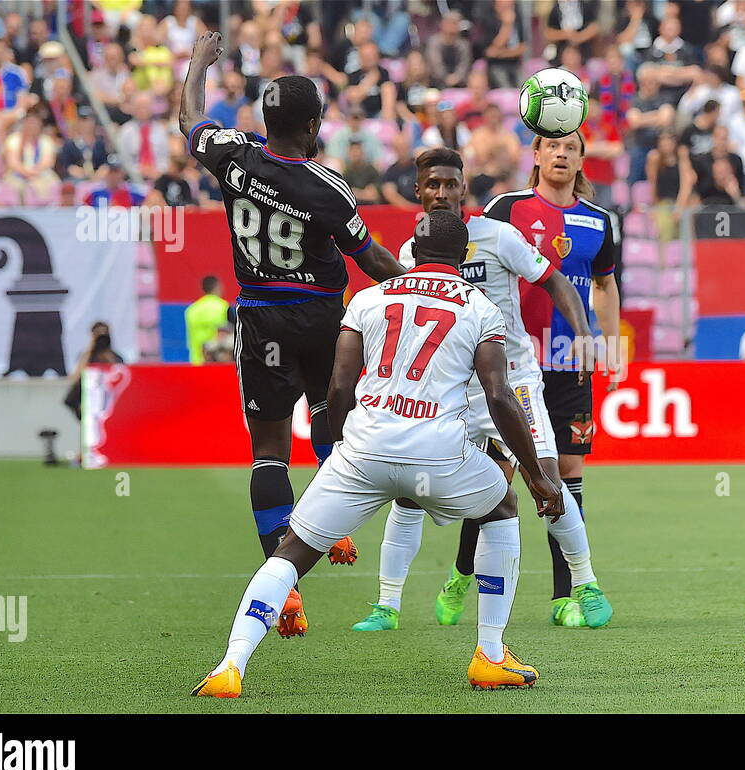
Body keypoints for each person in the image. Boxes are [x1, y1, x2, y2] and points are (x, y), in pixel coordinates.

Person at [192, 210, 565, 697]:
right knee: (502, 505)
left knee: (293, 552)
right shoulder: (480, 308)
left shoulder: (368, 298)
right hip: (439, 456)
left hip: (365, 449)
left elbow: (339, 386)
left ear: (413, 248)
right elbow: (498, 394)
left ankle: (231, 665)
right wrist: (537, 474)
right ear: (465, 254)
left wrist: (345, 449)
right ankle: (490, 655)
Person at [179, 31, 405, 638]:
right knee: (333, 420)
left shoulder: (233, 154)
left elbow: (189, 118)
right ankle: (337, 525)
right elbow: (372, 259)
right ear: (311, 127)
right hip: (321, 318)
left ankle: (284, 592)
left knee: (270, 450)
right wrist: (426, 285)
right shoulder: (326, 187)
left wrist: (200, 62)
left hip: (260, 316)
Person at [352, 147, 605, 634]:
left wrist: (585, 333)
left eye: (451, 184)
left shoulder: (498, 235)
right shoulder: (409, 253)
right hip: (449, 388)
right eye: (433, 185)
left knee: (546, 479)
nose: (442, 193)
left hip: (510, 380)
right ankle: (387, 604)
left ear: (464, 187)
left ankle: (586, 583)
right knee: (409, 491)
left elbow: (555, 283)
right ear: (418, 190)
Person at [476, 131, 623, 628]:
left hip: (569, 362)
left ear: (581, 160)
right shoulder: (505, 208)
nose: (561, 154)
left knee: (567, 472)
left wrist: (610, 343)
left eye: (571, 148)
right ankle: (464, 577)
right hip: (513, 364)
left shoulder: (600, 221)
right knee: (500, 475)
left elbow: (604, 285)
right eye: (551, 146)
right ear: (535, 155)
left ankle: (566, 596)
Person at [64, 321, 124, 420]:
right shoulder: (86, 356)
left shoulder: (115, 357)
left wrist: (108, 355)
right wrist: (90, 348)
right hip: (90, 402)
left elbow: (120, 378)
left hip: (109, 401)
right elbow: (75, 378)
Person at [185, 276, 230, 365]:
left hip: (196, 361)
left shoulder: (191, 310)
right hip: (217, 361)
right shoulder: (223, 307)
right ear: (217, 287)